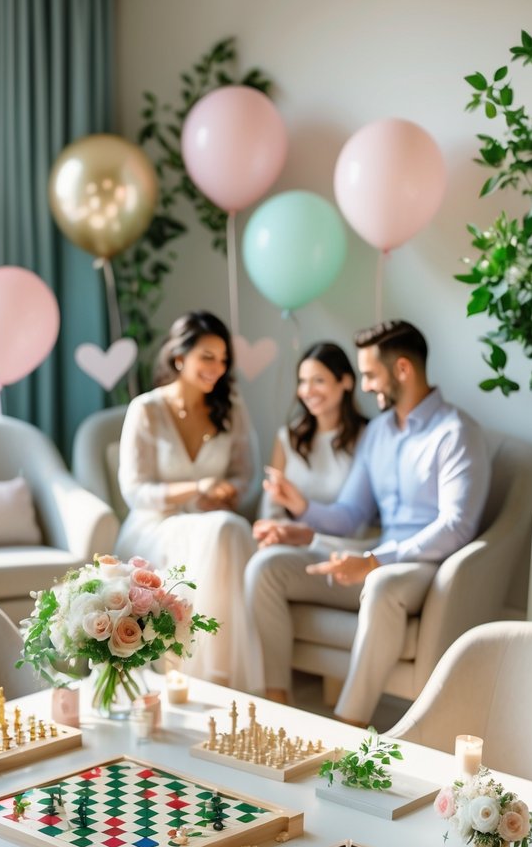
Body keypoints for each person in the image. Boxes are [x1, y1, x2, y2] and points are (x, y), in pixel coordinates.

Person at [244, 319, 490, 725]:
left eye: (371, 374)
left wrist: (375, 561)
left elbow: (456, 527)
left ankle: (348, 727)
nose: (366, 385)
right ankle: (276, 707)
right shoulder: (377, 433)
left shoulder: (456, 433)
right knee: (266, 568)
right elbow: (351, 513)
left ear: (403, 370)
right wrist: (302, 521)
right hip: (381, 556)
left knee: (378, 582)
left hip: (429, 566)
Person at [116, 310, 261, 690]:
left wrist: (229, 492)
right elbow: (134, 490)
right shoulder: (146, 409)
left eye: (223, 359)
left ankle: (225, 676)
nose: (217, 368)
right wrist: (198, 488)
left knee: (228, 528)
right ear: (179, 357)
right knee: (227, 530)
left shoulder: (231, 408)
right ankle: (206, 677)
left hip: (212, 521)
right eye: (207, 357)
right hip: (155, 526)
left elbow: (246, 474)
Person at [256, 341, 366, 548]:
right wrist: (276, 531)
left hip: (343, 546)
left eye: (319, 380)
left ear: (346, 382)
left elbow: (360, 516)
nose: (308, 391)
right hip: (290, 542)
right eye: (302, 381)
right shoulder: (288, 438)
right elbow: (271, 507)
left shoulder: (367, 437)